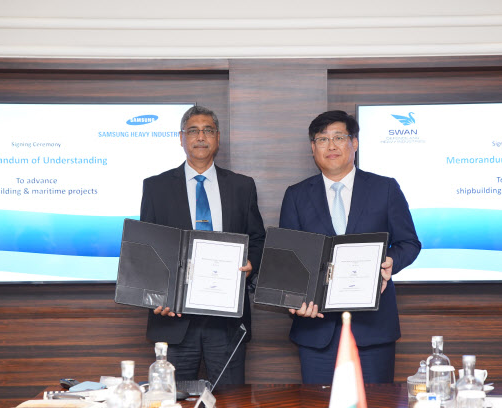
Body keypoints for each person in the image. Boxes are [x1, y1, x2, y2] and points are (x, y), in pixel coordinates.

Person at [279, 110, 421, 384]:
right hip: (315, 329)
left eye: (339, 137)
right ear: (313, 148)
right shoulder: (296, 195)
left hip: (372, 329)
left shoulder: (385, 188)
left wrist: (391, 261)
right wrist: (294, 301)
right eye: (322, 139)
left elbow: (409, 243)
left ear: (354, 143)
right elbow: (289, 260)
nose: (331, 146)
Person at [140, 105, 265, 385]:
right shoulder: (156, 187)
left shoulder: (242, 187)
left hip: (226, 319)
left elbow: (257, 239)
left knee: (231, 405)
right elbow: (148, 249)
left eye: (208, 130)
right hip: (174, 317)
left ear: (217, 138)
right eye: (193, 131)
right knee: (174, 402)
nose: (200, 137)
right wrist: (156, 295)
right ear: (181, 138)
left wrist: (251, 264)